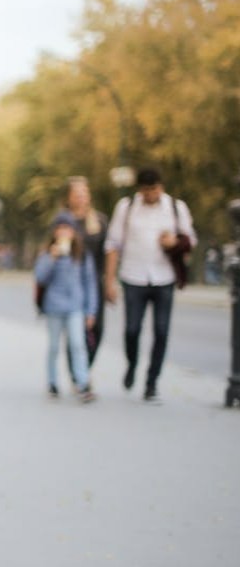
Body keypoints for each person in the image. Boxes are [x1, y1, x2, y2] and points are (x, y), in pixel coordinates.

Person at [104, 167, 197, 403]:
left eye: (154, 189)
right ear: (140, 190)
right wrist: (109, 281)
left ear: (161, 187)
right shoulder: (126, 208)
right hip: (133, 276)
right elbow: (113, 244)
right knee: (132, 330)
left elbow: (190, 239)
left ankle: (152, 382)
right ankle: (132, 364)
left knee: (162, 331)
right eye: (146, 191)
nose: (150, 195)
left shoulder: (176, 207)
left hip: (164, 277)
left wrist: (173, 241)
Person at [51, 177, 108, 382]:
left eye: (85, 194)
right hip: (71, 283)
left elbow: (108, 252)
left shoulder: (99, 221)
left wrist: (109, 281)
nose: (82, 198)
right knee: (75, 332)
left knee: (97, 329)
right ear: (68, 197)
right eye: (77, 194)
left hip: (94, 282)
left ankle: (84, 368)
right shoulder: (63, 222)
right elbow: (51, 249)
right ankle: (79, 376)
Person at [34, 221, 97, 402]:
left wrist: (91, 310)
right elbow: (40, 277)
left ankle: (83, 383)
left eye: (67, 229)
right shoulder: (48, 253)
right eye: (60, 229)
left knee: (78, 344)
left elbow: (89, 283)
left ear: (73, 232)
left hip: (75, 307)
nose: (64, 232)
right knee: (54, 347)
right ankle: (52, 382)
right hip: (53, 307)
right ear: (54, 232)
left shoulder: (82, 255)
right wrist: (51, 258)